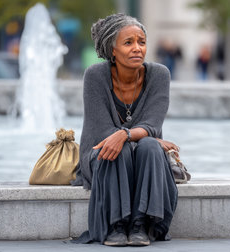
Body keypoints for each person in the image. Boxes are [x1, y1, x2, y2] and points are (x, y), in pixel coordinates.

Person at [71, 13, 179, 247]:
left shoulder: (160, 75)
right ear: (112, 50)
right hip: (102, 155)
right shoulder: (95, 76)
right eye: (128, 43)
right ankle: (116, 224)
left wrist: (129, 135)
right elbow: (103, 133)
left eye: (141, 42)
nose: (137, 48)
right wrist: (139, 136)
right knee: (127, 147)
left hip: (144, 158)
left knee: (149, 146)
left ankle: (140, 224)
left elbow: (153, 125)